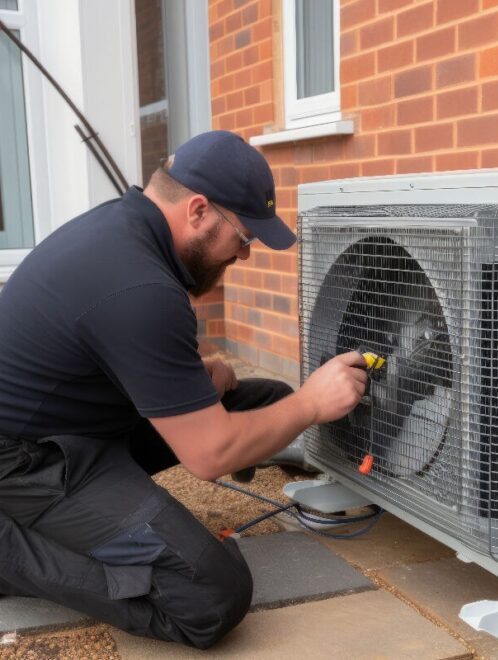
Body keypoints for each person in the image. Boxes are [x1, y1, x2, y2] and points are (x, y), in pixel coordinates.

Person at [0, 130, 367, 649]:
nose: (244, 256)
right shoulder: (140, 286)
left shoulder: (125, 233)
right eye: (242, 238)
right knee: (208, 594)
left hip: (72, 422)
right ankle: (12, 558)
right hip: (25, 464)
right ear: (197, 210)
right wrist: (311, 403)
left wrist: (196, 379)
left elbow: (113, 338)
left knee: (263, 397)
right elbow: (209, 455)